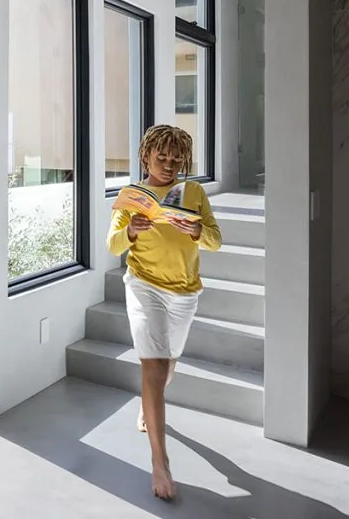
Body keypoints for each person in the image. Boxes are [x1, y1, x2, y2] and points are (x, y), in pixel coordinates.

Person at [106, 124, 222, 500]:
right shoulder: (132, 196)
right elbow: (111, 246)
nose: (169, 165)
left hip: (185, 292)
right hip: (143, 286)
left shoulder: (194, 192)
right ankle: (160, 462)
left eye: (176, 160)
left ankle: (148, 403)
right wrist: (132, 232)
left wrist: (196, 231)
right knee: (153, 367)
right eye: (162, 158)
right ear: (146, 157)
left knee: (168, 365)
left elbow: (216, 241)